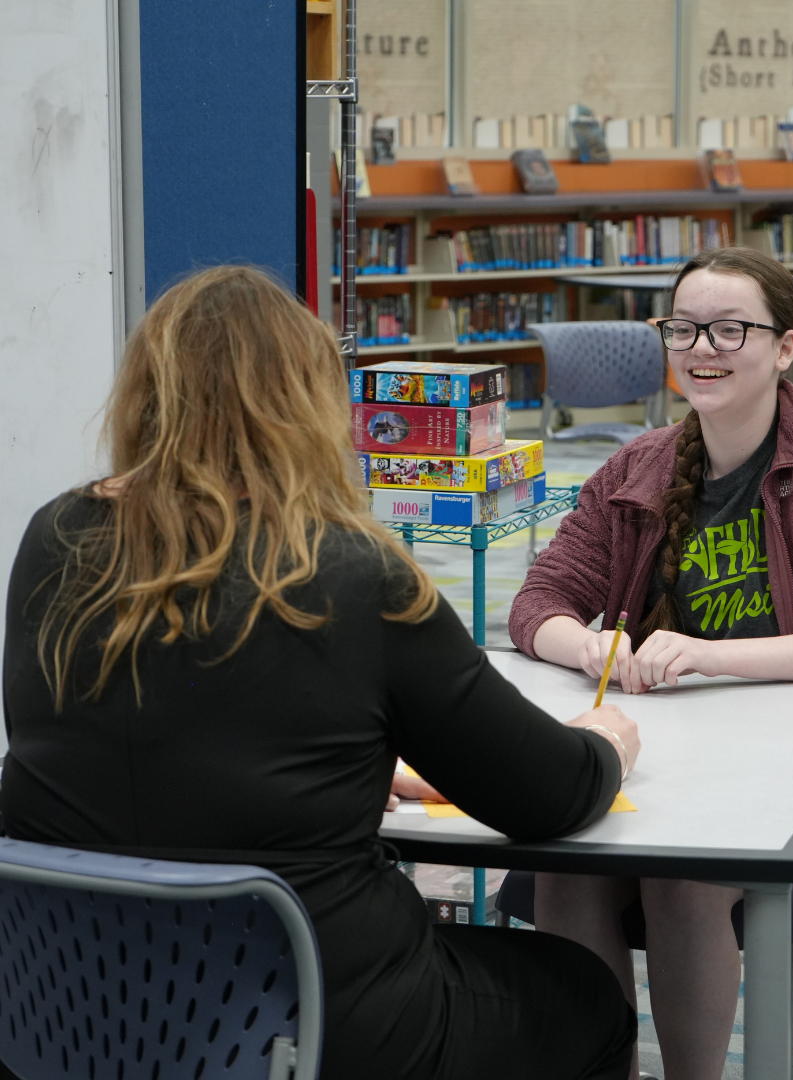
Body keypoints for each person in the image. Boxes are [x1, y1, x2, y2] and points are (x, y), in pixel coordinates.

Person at [1, 266, 641, 1080]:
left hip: (71, 1007)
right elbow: (542, 794)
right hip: (312, 1018)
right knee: (581, 997)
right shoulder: (348, 568)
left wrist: (335, 773)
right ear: (310, 402)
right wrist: (604, 744)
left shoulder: (55, 538)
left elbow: (127, 746)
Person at [508, 247, 793, 1080]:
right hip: (672, 762)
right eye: (685, 328)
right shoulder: (638, 467)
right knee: (564, 866)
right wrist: (588, 644)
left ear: (785, 347)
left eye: (730, 329)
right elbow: (535, 605)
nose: (703, 348)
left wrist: (714, 655)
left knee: (683, 876)